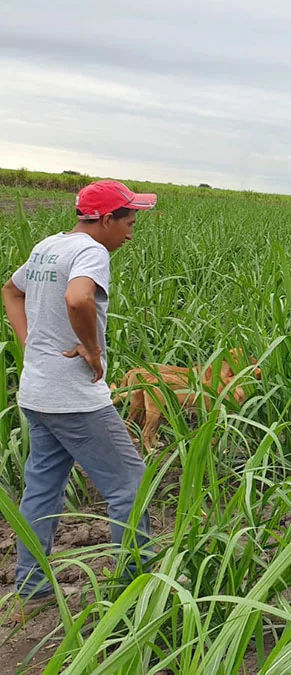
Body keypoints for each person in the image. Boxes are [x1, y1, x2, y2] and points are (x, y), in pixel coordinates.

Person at [1, 180, 156, 601]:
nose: (131, 230)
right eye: (128, 220)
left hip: (37, 393)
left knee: (43, 490)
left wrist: (29, 341)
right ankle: (136, 589)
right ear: (106, 219)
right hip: (74, 399)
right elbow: (77, 298)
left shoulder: (48, 245)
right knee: (131, 485)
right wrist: (92, 347)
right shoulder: (92, 251)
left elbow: (11, 290)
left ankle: (32, 590)